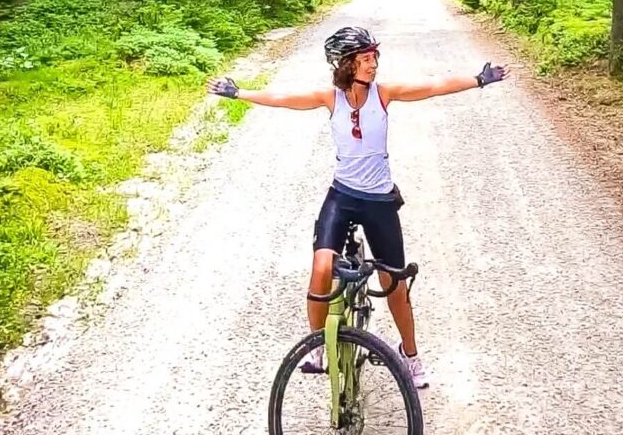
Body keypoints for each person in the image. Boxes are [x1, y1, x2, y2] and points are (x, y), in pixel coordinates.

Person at [207, 25, 507, 388]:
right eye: (365, 59)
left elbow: (432, 87)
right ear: (345, 64)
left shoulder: (384, 95)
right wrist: (239, 93)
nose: (373, 64)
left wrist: (478, 79)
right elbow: (283, 97)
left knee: (393, 282)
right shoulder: (330, 98)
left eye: (374, 57)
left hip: (379, 201)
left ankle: (410, 356)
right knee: (321, 267)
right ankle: (319, 347)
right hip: (343, 196)